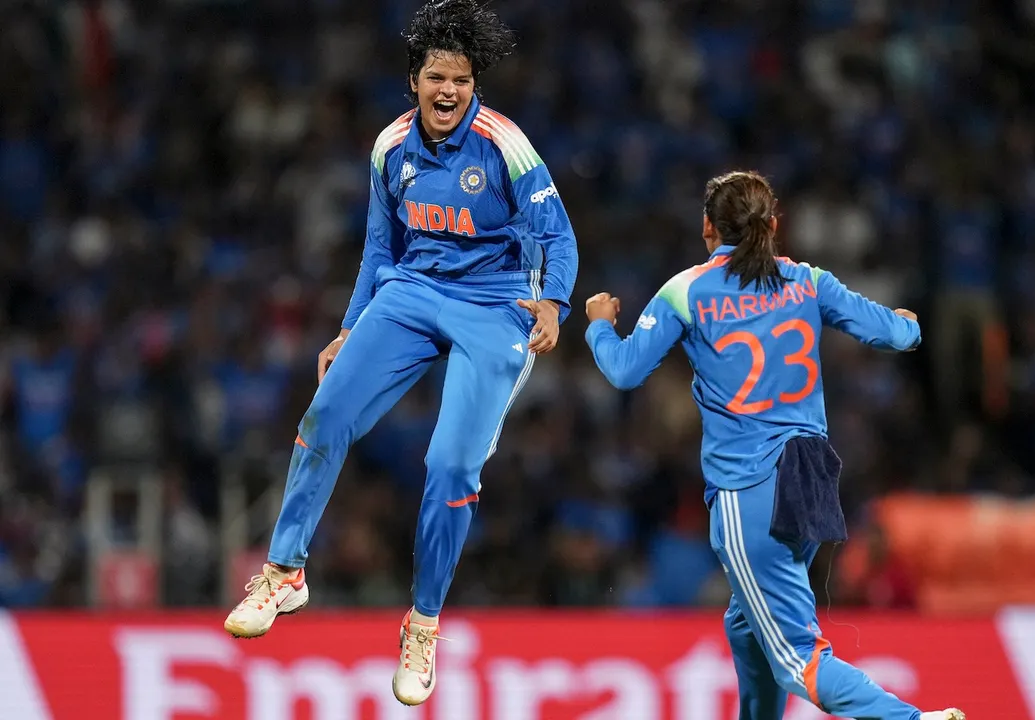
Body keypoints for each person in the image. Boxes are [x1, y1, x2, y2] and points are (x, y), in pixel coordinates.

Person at [222, 0, 578, 707]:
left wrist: (554, 302)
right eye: (437, 77)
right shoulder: (390, 147)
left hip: (496, 303)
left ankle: (423, 622)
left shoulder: (506, 144)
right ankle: (285, 572)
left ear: (475, 87)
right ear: (413, 80)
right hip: (411, 291)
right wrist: (352, 327)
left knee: (450, 464)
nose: (449, 92)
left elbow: (558, 234)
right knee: (325, 414)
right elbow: (381, 249)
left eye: (463, 81)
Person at [583, 170, 963, 720]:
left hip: (748, 489)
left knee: (794, 656)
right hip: (810, 481)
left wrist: (598, 325)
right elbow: (896, 334)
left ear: (707, 227)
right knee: (745, 623)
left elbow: (623, 371)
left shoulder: (687, 290)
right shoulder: (806, 280)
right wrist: (907, 324)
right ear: (774, 225)